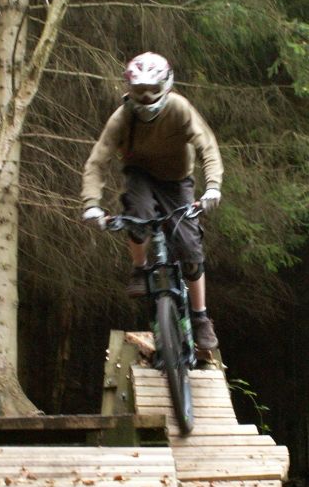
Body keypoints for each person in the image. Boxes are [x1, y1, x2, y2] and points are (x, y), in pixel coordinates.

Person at [81, 52, 223, 350]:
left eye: (152, 91)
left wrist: (212, 188)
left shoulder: (179, 109)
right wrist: (91, 204)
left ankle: (200, 317)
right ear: (129, 89)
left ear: (166, 86)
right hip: (140, 175)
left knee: (189, 246)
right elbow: (97, 161)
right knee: (138, 215)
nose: (146, 98)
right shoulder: (123, 117)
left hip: (177, 181)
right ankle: (139, 268)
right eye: (139, 92)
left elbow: (207, 146)